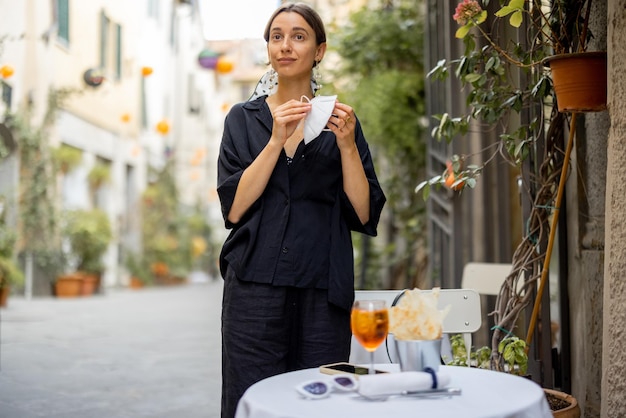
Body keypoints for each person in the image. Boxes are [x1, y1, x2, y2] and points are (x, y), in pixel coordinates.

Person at [216, 3, 386, 417]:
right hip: (254, 288)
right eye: (277, 36)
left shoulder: (341, 122)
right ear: (268, 49)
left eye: (298, 36)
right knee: (250, 399)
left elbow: (363, 213)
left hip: (322, 290)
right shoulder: (243, 119)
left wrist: (346, 146)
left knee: (321, 404)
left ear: (319, 50)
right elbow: (235, 209)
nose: (285, 46)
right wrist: (275, 140)